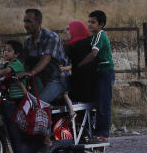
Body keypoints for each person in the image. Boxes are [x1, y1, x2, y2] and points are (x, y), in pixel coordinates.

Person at [78, 10, 115, 143]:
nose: (90, 24)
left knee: (103, 103)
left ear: (101, 24)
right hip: (99, 72)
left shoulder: (100, 35)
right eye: (89, 22)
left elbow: (93, 54)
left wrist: (79, 64)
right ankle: (95, 131)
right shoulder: (93, 37)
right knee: (97, 102)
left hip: (105, 72)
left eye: (93, 22)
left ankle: (103, 133)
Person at [21, 8, 71, 105]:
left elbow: (46, 58)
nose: (25, 25)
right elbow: (22, 60)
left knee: (36, 104)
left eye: (29, 21)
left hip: (57, 79)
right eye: (24, 21)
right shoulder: (28, 42)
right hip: (40, 79)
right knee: (23, 103)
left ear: (39, 22)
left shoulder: (51, 37)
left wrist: (31, 72)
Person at [62, 20, 94, 102]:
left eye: (68, 29)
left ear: (76, 31)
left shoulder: (78, 47)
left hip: (82, 93)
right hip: (84, 92)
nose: (64, 31)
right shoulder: (83, 45)